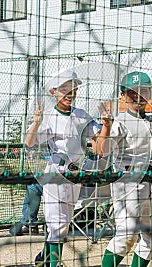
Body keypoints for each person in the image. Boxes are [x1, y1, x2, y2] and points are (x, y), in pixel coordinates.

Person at [25, 69, 101, 267]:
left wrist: (109, 126)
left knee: (63, 224)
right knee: (57, 223)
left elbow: (98, 136)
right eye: (64, 89)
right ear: (54, 92)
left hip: (75, 174)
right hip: (55, 174)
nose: (70, 93)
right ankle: (54, 263)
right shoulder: (49, 116)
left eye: (73, 89)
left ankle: (45, 256)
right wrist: (36, 123)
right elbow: (30, 142)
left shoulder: (81, 116)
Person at [97, 71, 152, 267]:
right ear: (122, 96)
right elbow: (101, 151)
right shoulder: (119, 120)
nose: (138, 97)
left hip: (149, 182)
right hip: (127, 181)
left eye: (143, 91)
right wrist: (105, 127)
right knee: (126, 236)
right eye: (132, 93)